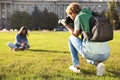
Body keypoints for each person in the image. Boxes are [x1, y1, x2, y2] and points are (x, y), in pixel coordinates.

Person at [60, 2, 110, 76]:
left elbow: (75, 35)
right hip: (105, 53)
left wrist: (66, 25)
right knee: (89, 53)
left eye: (70, 15)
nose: (71, 18)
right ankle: (99, 63)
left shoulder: (79, 17)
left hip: (90, 53)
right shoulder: (94, 15)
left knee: (71, 38)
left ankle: (76, 66)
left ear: (72, 13)